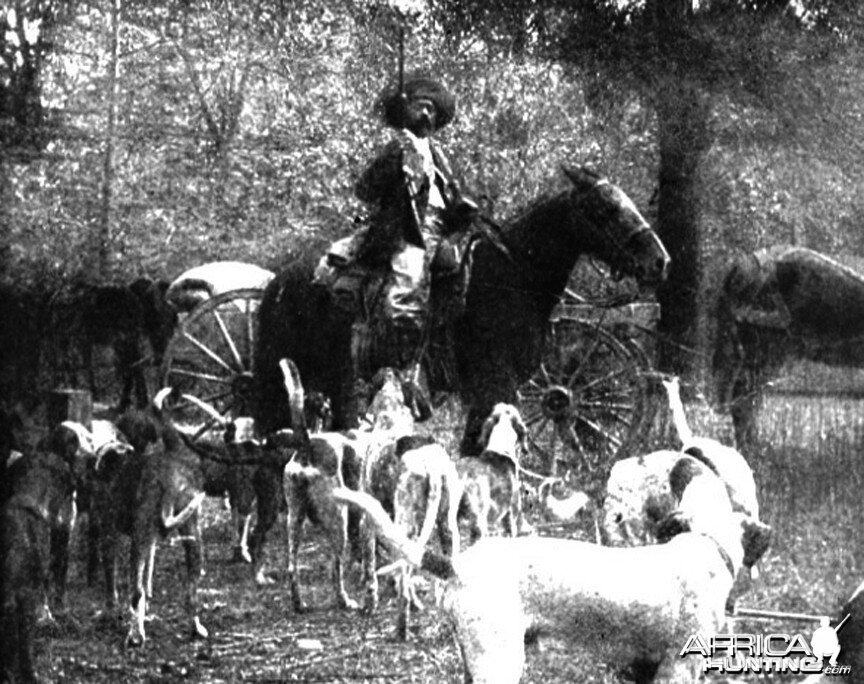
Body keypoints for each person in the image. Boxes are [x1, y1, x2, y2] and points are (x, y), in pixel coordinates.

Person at [353, 74, 477, 368]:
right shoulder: (397, 147)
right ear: (404, 112)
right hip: (406, 231)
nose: (425, 114)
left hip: (441, 231)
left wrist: (463, 209)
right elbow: (365, 189)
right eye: (420, 106)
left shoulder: (437, 153)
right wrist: (399, 165)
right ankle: (395, 368)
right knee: (406, 294)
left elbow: (454, 194)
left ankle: (441, 358)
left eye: (432, 110)